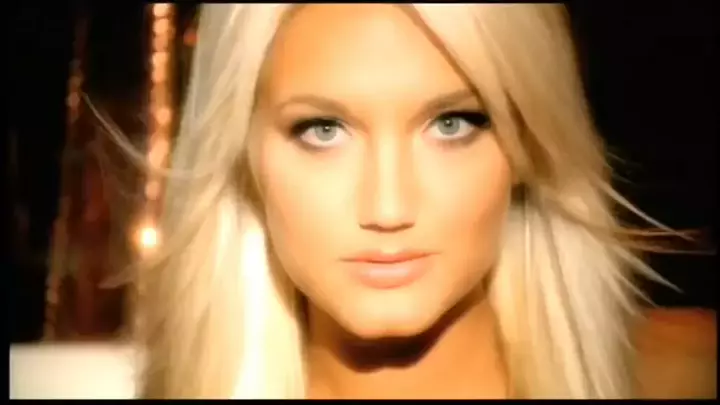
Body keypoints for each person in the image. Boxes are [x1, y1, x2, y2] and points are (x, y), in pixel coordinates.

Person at [9, 4, 716, 399]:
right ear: (243, 153)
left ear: (529, 141)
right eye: (323, 130)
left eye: (453, 123)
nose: (388, 204)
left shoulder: (685, 374)